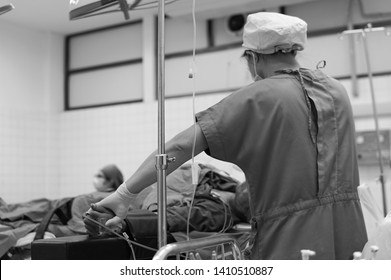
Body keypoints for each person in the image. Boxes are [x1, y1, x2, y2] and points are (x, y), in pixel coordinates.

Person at [84, 12, 368, 259]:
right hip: (349, 234)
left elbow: (180, 146)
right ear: (294, 50)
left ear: (253, 58)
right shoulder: (337, 90)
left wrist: (124, 194)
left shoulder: (257, 97)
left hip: (291, 242)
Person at [48, 164, 124, 237]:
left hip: (55, 212)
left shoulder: (103, 197)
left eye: (99, 176)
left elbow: (80, 227)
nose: (95, 179)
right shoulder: (102, 195)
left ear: (111, 181)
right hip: (59, 210)